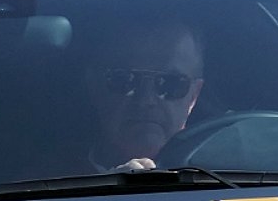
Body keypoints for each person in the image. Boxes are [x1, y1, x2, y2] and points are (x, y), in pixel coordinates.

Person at [77, 17, 205, 171]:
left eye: (171, 83)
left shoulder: (229, 179)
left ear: (194, 96)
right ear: (94, 86)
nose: (146, 100)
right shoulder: (47, 180)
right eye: (124, 79)